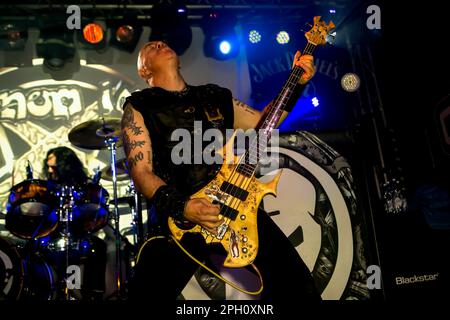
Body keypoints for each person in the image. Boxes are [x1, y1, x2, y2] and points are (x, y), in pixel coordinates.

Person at [122, 40, 321, 303]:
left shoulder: (214, 96)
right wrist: (182, 206)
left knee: (297, 288)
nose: (160, 44)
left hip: (237, 204)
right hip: (180, 217)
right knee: (146, 296)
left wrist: (297, 84)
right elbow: (142, 172)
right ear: (143, 70)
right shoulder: (139, 105)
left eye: (163, 43)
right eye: (150, 47)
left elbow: (262, 122)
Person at [41, 146, 107, 300]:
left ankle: (92, 295)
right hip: (52, 235)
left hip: (78, 235)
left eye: (54, 167)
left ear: (66, 167)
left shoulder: (83, 186)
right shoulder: (47, 188)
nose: (50, 171)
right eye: (48, 167)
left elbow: (95, 211)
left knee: (98, 247)